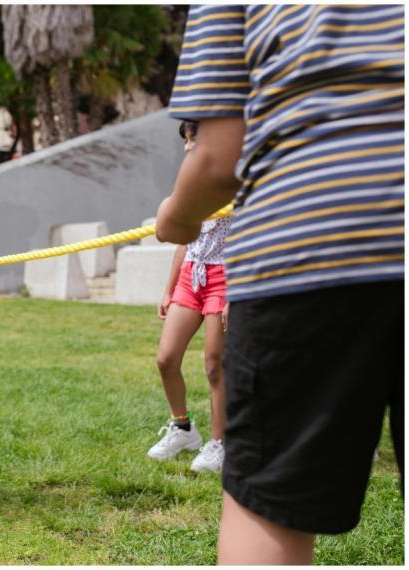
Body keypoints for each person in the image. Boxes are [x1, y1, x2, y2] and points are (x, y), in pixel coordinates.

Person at [156, 5, 403, 565]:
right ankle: (188, 430)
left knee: (267, 512)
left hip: (311, 245)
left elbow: (221, 155)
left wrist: (176, 217)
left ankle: (213, 440)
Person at [147, 121, 232, 473]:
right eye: (185, 140)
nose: (187, 146)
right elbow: (184, 237)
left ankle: (220, 444)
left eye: (193, 139)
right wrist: (169, 288)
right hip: (191, 275)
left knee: (215, 365)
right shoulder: (192, 182)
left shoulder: (236, 182)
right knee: (166, 358)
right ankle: (183, 428)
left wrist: (236, 292)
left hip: (226, 276)